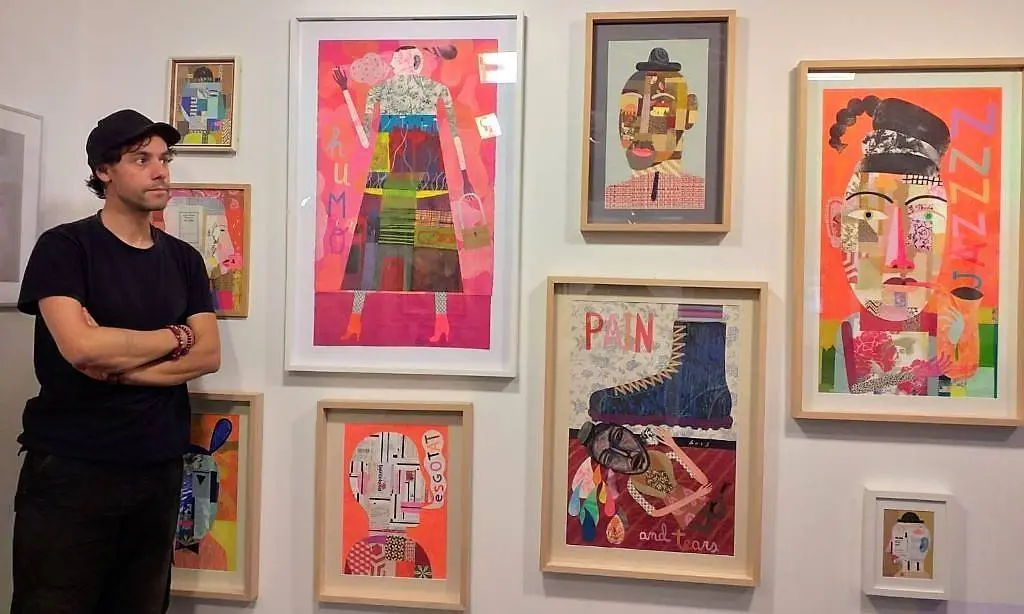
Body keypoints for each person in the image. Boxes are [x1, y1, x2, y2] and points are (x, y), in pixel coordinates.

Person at [10, 108, 222, 614]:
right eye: (141, 159)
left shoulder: (184, 260)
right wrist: (175, 336)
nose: (160, 171)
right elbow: (82, 348)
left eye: (164, 159)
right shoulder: (65, 247)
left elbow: (208, 352)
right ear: (103, 170)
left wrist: (122, 369)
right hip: (72, 468)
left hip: (157, 466)